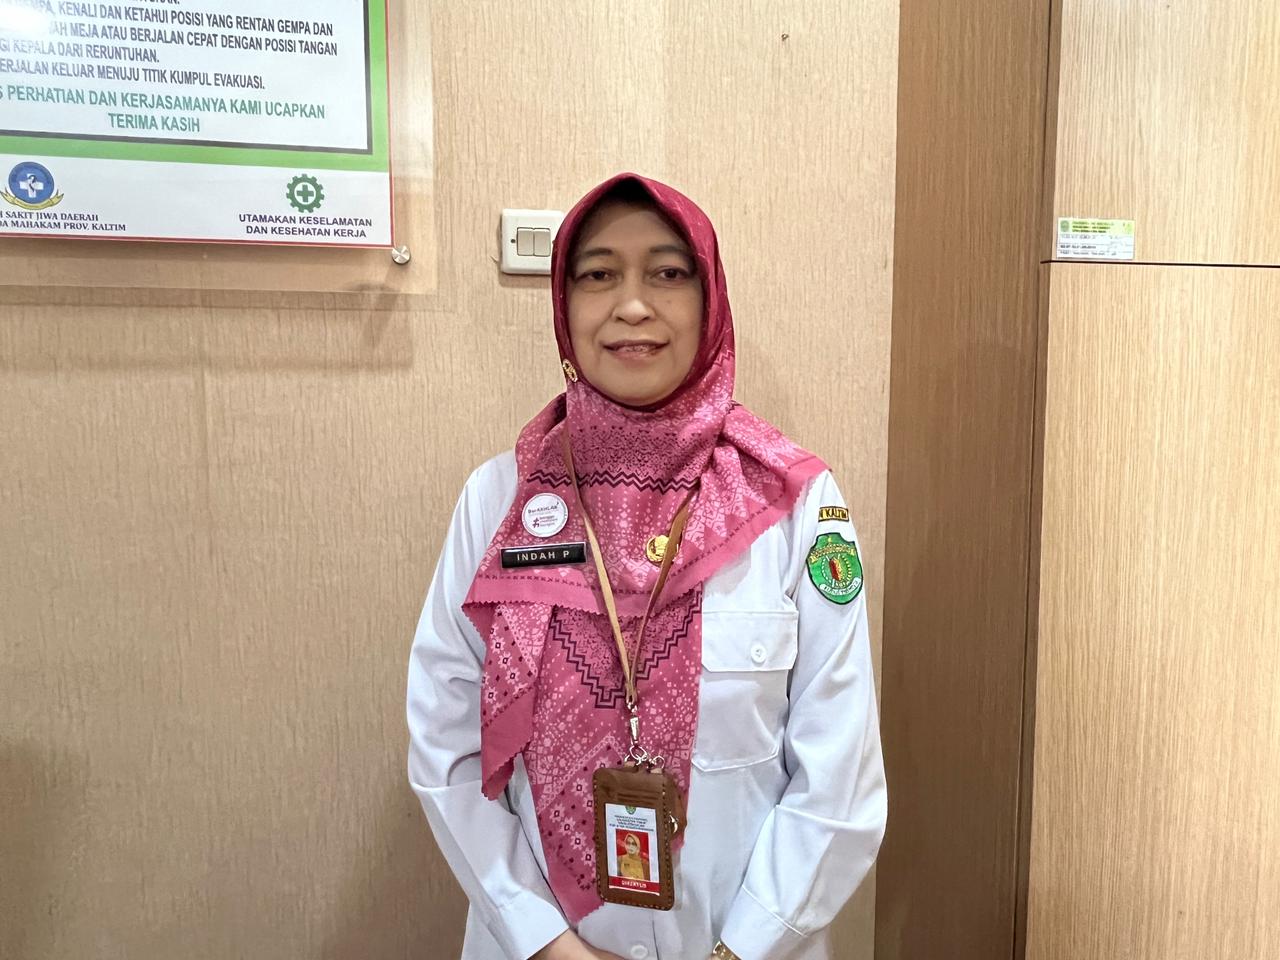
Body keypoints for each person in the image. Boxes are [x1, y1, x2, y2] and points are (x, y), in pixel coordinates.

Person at [407, 173, 886, 960]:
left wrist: (742, 950)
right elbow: (444, 742)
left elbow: (840, 771)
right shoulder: (501, 500)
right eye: (599, 274)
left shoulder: (794, 503)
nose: (632, 305)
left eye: (667, 272)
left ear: (710, 298)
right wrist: (544, 941)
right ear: (564, 305)